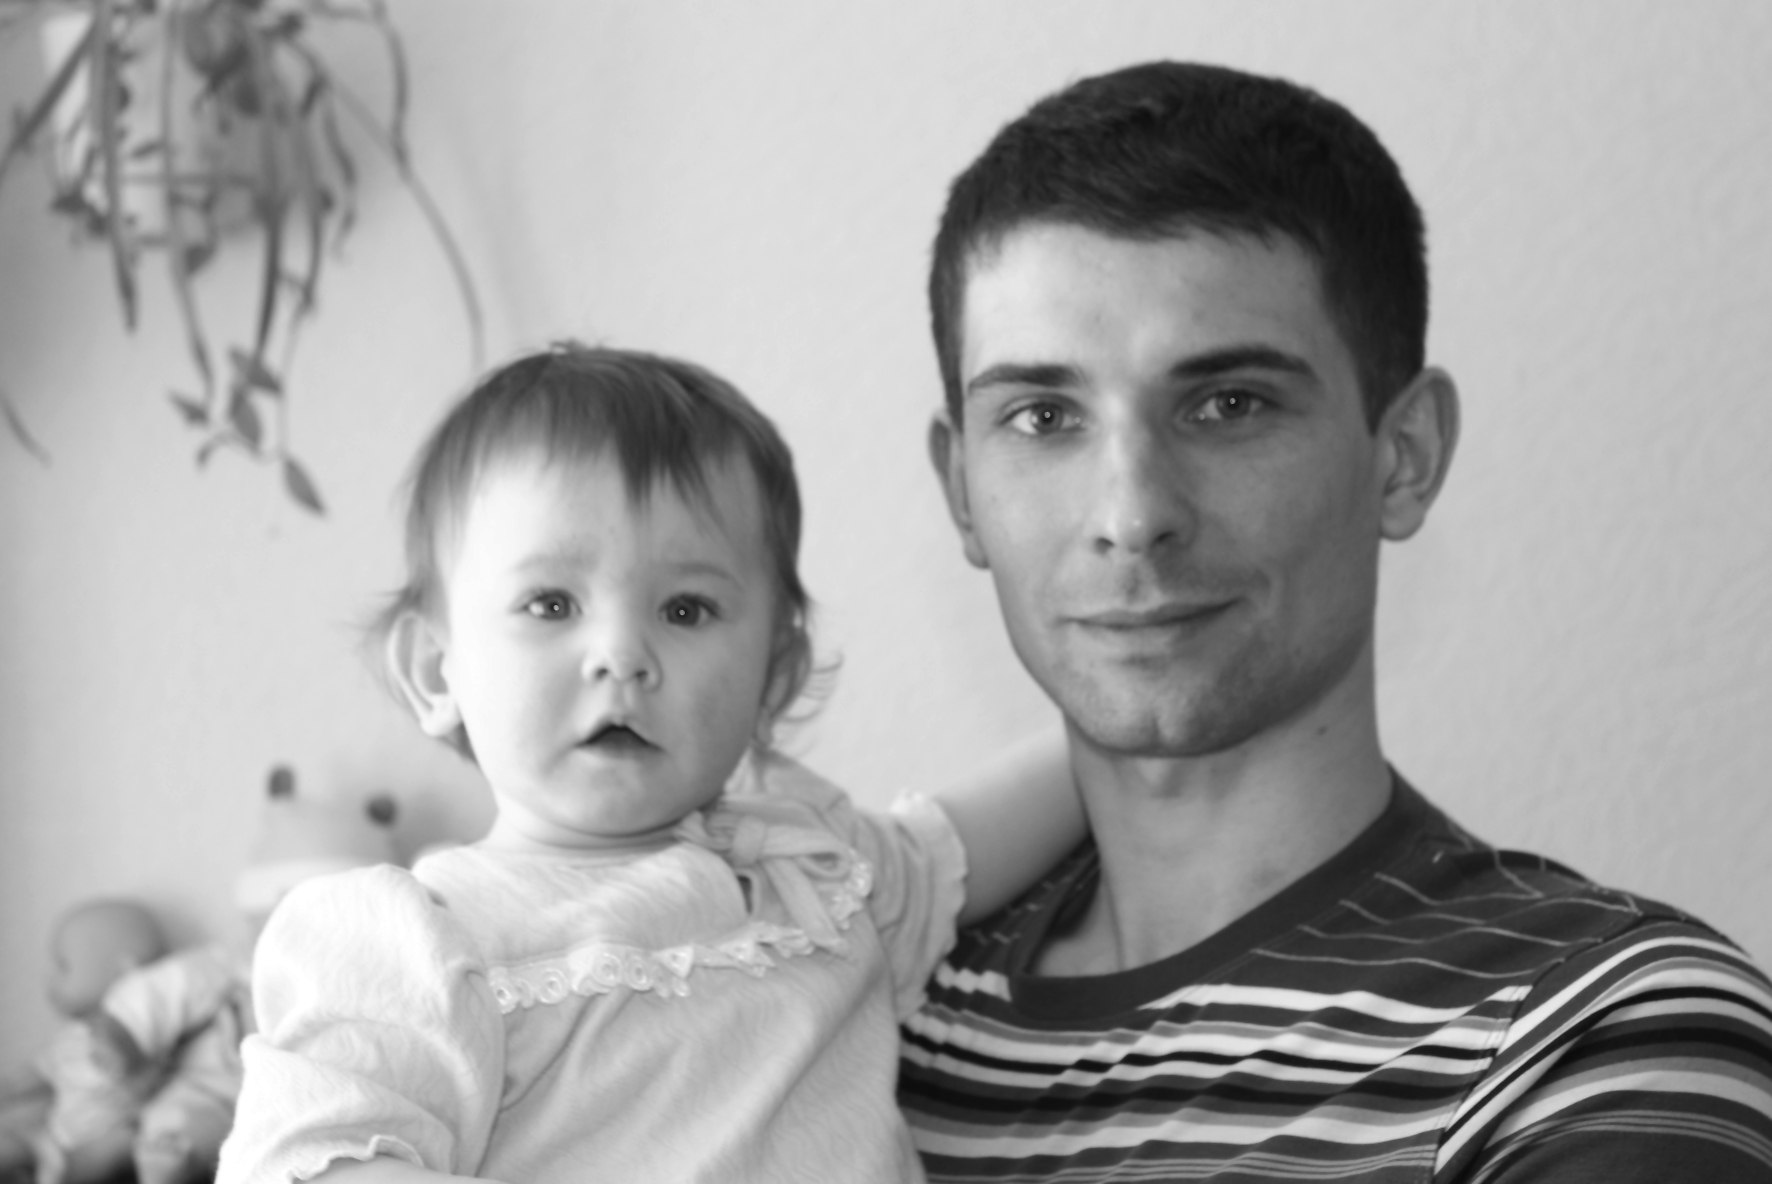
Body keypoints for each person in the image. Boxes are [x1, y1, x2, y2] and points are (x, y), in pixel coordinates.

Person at [896, 60, 1772, 1181]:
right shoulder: (839, 1016)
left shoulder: (1601, 1040)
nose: (1131, 514)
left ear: (1403, 456)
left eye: (1228, 404)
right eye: (1041, 416)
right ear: (960, 488)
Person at [215, 343, 1083, 1184]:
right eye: (551, 603)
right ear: (437, 672)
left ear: (773, 676)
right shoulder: (423, 941)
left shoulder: (816, 872)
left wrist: (1116, 721)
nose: (621, 655)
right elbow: (309, 1163)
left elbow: (964, 839)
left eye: (686, 609)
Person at [0, 899, 169, 1184]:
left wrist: (125, 1057)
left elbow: (150, 1080)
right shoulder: (73, 1035)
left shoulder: (145, 1028)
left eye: (63, 965)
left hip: (102, 1142)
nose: (50, 979)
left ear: (125, 970)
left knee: (115, 1147)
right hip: (53, 1136)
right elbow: (39, 1071)